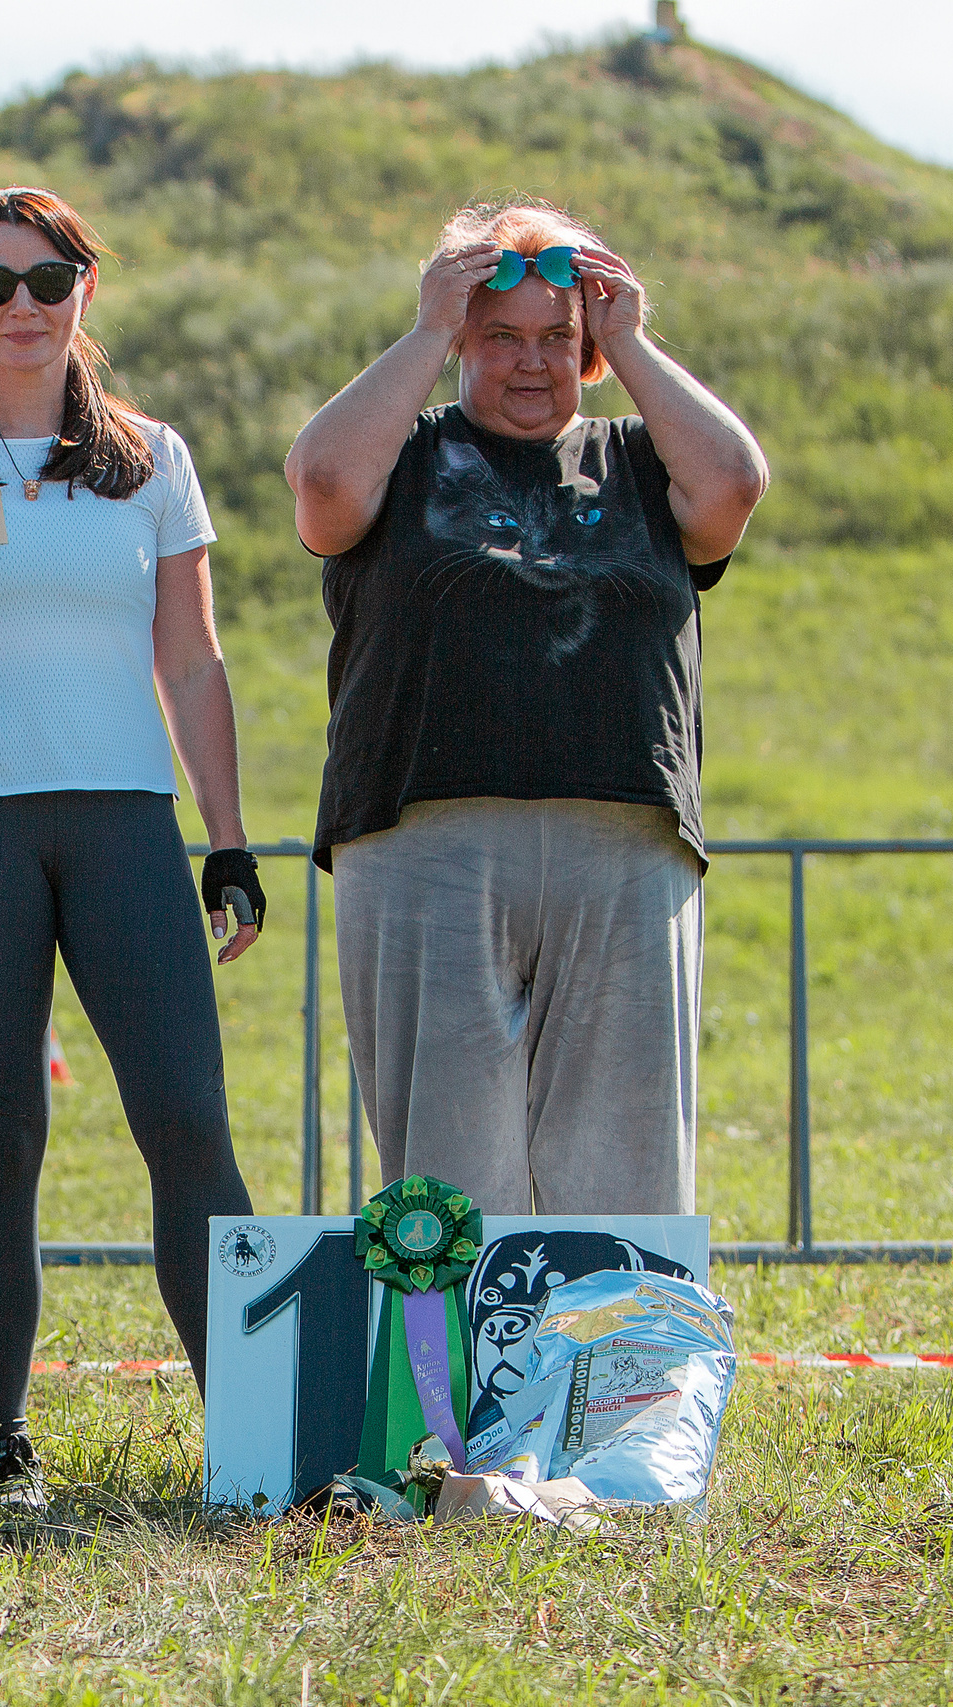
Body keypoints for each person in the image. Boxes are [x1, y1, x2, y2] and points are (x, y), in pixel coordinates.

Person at [0, 187, 262, 1510]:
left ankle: (252, 1433)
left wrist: (228, 838)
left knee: (187, 1121)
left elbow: (190, 659)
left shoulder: (152, 460)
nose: (23, 304)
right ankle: (7, 1440)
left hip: (127, 819)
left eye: (48, 278)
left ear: (86, 289)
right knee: (0, 1132)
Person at [285, 197, 769, 1219]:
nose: (531, 362)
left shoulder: (643, 458)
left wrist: (629, 333)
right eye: (499, 337)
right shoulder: (397, 452)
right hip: (424, 839)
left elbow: (732, 484)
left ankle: (615, 1381)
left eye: (559, 337)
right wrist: (425, 327)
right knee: (448, 1175)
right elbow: (322, 484)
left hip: (624, 837)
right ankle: (441, 1381)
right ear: (461, 337)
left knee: (623, 1164)